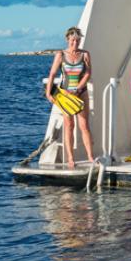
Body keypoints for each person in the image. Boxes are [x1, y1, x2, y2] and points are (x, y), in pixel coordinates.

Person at [45, 26, 95, 169]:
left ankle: (90, 157)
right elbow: (52, 74)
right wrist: (49, 93)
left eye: (78, 40)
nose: (75, 43)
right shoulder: (60, 55)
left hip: (81, 94)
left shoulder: (85, 54)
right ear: (68, 39)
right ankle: (70, 159)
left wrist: (78, 88)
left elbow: (87, 74)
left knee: (84, 126)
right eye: (73, 40)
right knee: (69, 126)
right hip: (65, 96)